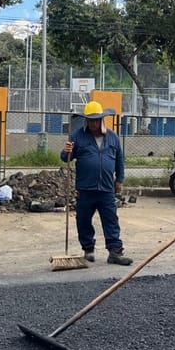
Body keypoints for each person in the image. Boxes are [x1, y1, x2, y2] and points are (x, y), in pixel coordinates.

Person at [61, 101, 133, 266]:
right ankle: (88, 248)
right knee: (84, 220)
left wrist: (120, 179)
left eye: (96, 120)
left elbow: (120, 159)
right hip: (86, 188)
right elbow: (66, 159)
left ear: (102, 119)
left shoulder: (112, 137)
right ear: (86, 120)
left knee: (111, 220)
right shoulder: (77, 136)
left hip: (107, 188)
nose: (93, 123)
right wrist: (66, 151)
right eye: (90, 120)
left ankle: (115, 252)